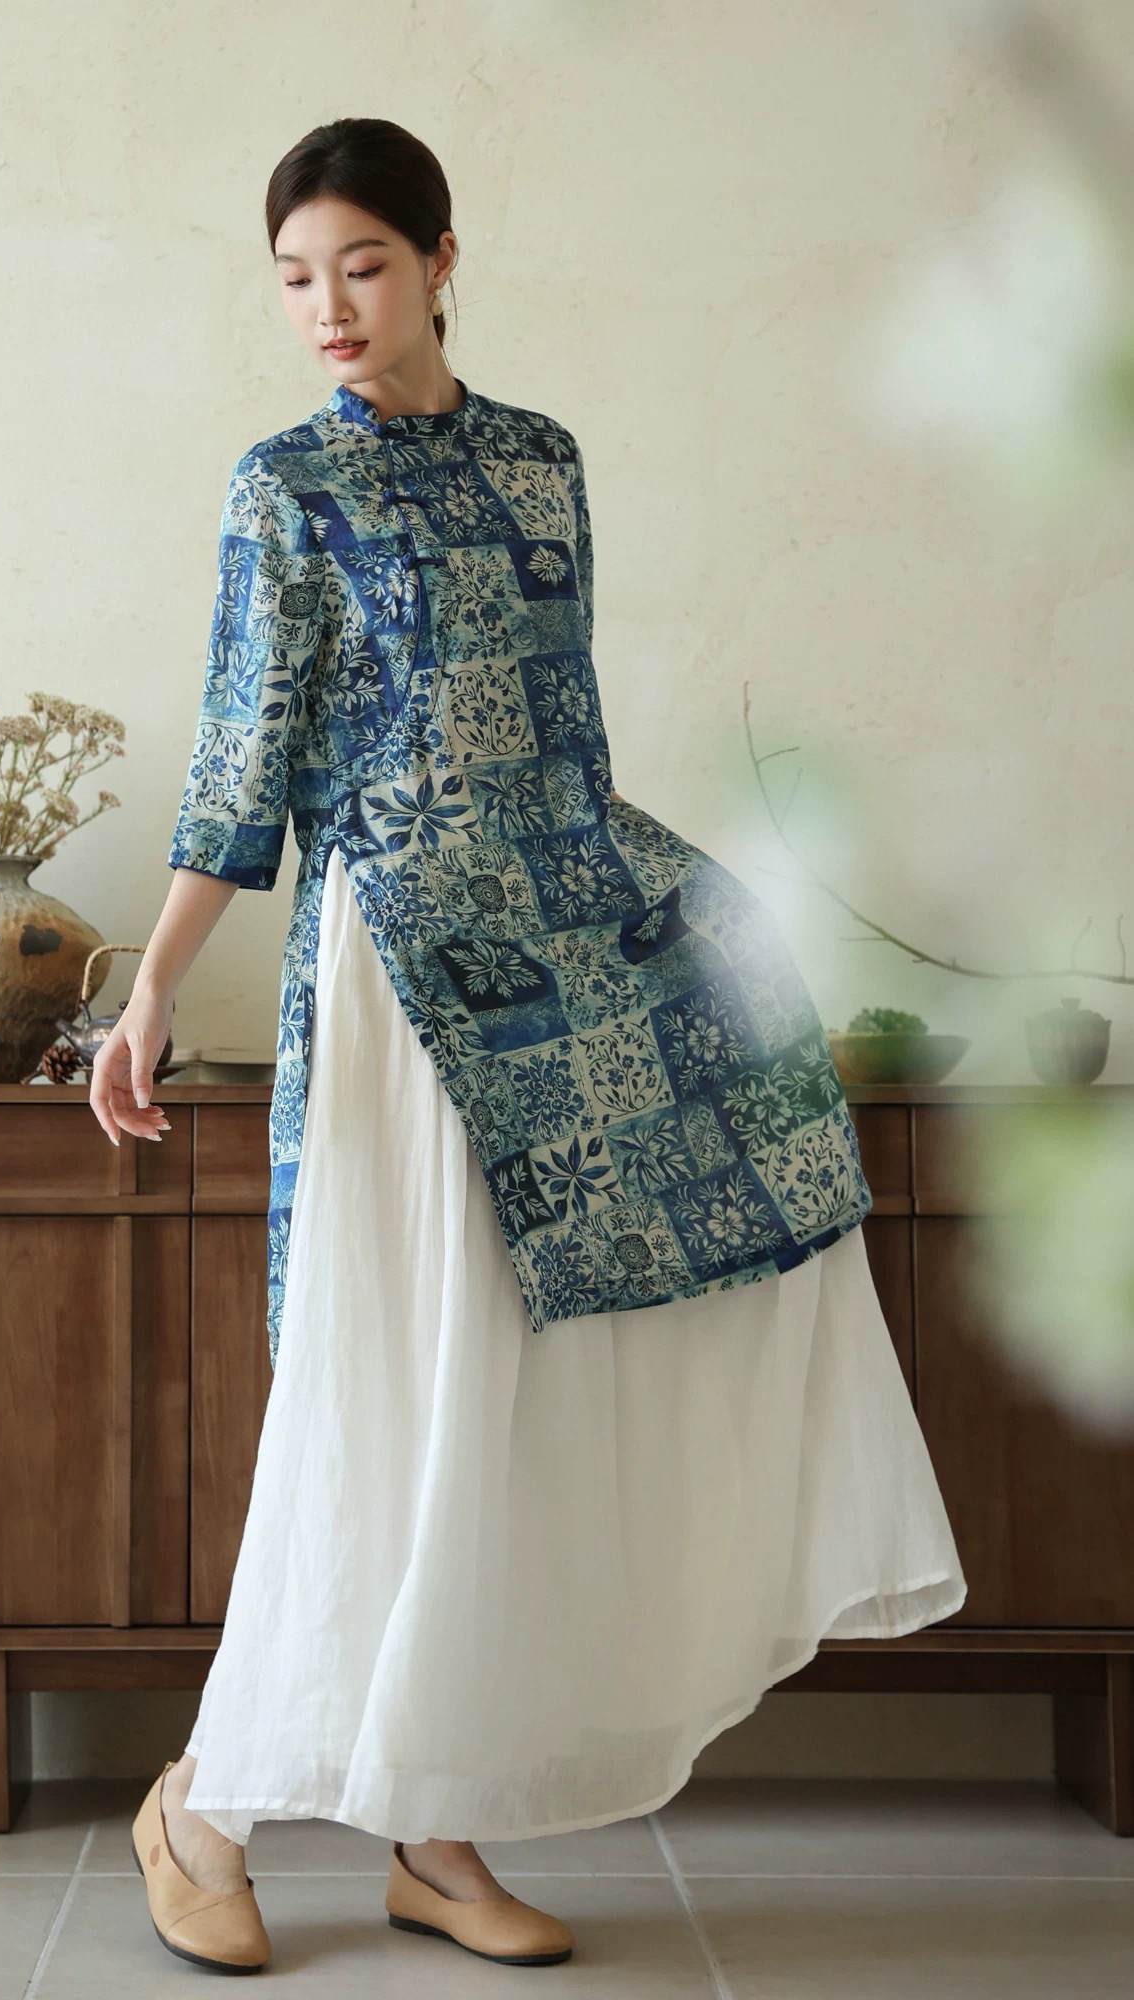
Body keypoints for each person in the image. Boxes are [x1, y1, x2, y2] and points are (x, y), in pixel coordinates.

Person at [93, 116, 968, 1977]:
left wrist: (695, 923)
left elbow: (567, 742)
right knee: (385, 1385)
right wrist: (154, 984)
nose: (329, 307)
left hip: (562, 965)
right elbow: (244, 757)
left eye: (363, 265)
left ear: (440, 258)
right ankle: (205, 1807)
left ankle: (435, 1834)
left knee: (505, 1397)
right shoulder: (284, 488)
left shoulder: (542, 461)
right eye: (295, 278)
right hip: (398, 973)